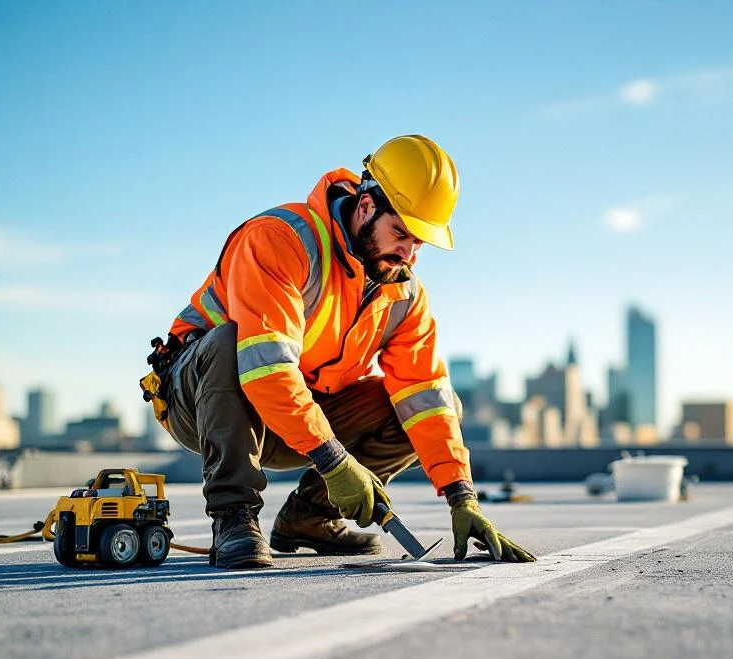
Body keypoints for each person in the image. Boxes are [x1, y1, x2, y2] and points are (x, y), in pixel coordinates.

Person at [141, 135, 535, 569]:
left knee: (425, 405)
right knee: (232, 342)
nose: (407, 253)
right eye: (400, 233)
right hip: (201, 400)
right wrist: (334, 461)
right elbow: (266, 367)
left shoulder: (402, 292)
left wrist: (463, 496)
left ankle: (310, 517)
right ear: (366, 206)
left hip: (294, 413)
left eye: (418, 242)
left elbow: (425, 392)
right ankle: (234, 517)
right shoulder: (281, 240)